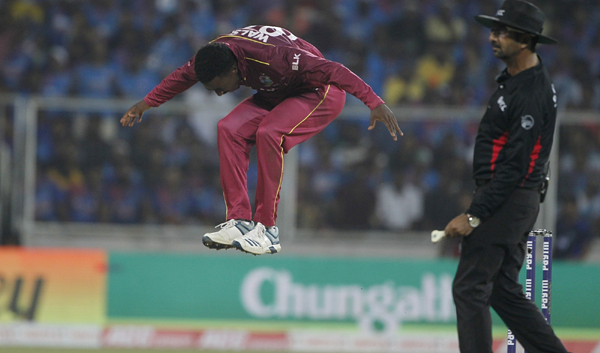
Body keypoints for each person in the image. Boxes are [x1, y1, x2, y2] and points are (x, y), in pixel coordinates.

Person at [120, 25, 402, 255]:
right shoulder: (215, 55)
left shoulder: (278, 58)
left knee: (269, 132)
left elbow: (334, 71)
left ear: (232, 71)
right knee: (228, 128)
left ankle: (268, 229)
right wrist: (146, 104)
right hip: (278, 93)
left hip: (319, 93)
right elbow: (182, 77)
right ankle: (240, 221)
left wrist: (373, 102)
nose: (219, 94)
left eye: (219, 88)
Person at [442, 1, 571, 353]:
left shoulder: (531, 92)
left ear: (527, 39)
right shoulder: (516, 81)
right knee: (500, 288)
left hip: (508, 198)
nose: (492, 38)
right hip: (514, 199)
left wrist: (475, 214)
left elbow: (514, 166)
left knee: (469, 288)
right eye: (493, 30)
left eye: (501, 32)